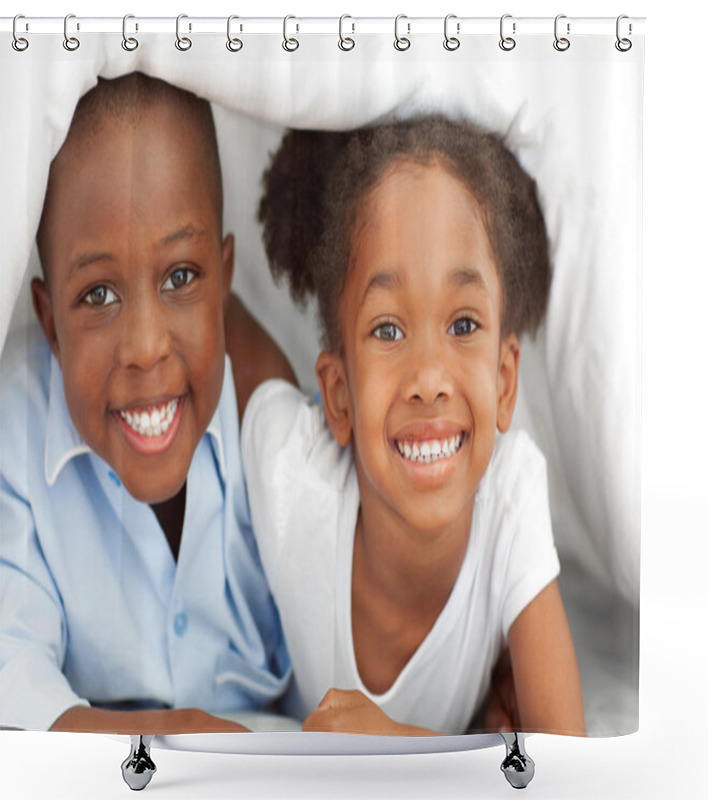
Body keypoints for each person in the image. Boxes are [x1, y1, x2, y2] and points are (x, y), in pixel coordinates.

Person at [244, 117, 586, 735]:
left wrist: (398, 747)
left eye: (462, 325)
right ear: (339, 396)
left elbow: (569, 769)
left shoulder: (510, 496)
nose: (429, 377)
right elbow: (220, 316)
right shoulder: (292, 476)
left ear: (505, 382)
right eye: (388, 329)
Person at [0, 73, 295, 734]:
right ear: (49, 323)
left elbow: (359, 629)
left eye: (180, 277)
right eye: (98, 294)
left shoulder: (268, 422)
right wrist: (178, 738)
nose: (143, 347)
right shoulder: (14, 435)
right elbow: (12, 685)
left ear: (222, 282)